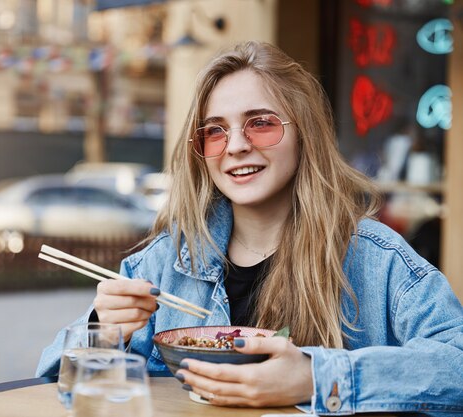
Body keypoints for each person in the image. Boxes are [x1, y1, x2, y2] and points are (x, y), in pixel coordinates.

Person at [36, 41, 463, 415]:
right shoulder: (166, 261)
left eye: (260, 122)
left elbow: (456, 365)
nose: (237, 145)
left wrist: (316, 377)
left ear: (304, 133)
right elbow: (54, 376)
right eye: (215, 132)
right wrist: (103, 328)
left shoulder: (375, 258)